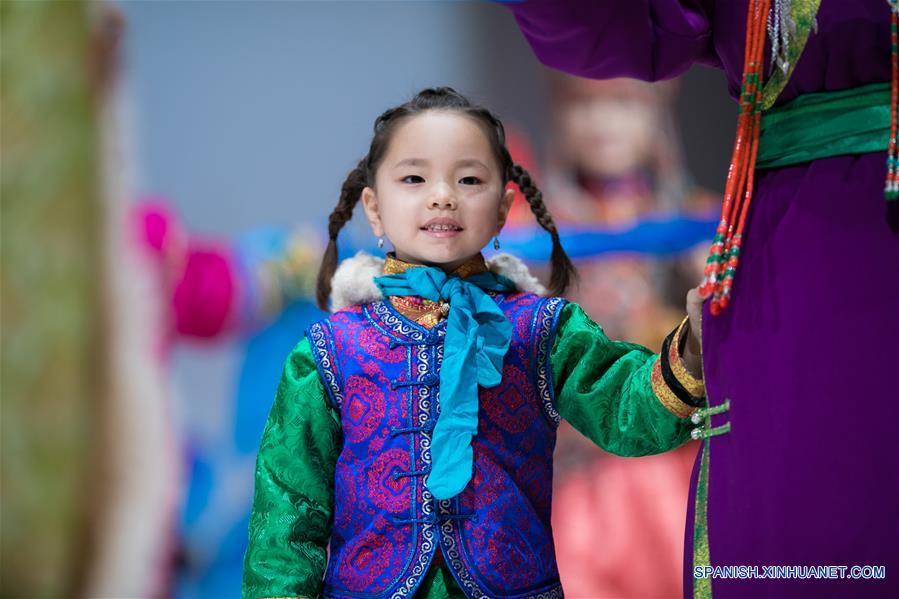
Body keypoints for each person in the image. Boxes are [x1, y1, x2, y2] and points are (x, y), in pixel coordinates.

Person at [242, 87, 710, 599]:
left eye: (468, 179)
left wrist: (691, 351)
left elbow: (629, 411)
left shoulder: (542, 331)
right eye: (414, 178)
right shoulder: (330, 352)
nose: (442, 195)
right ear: (373, 209)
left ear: (503, 207)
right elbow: (286, 518)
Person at [505, 1, 899, 598]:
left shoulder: (695, 219)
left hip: (664, 449)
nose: (602, 124)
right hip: (588, 457)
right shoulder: (540, 231)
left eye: (620, 105)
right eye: (583, 106)